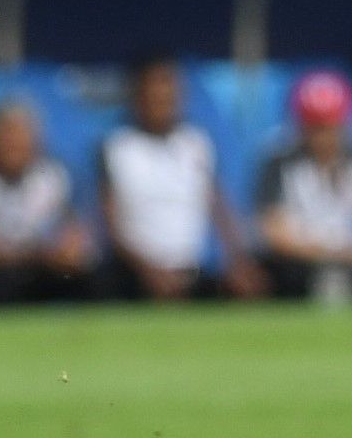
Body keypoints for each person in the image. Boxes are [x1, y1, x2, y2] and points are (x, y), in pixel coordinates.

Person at [99, 58, 259, 301]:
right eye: (154, 96)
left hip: (191, 272)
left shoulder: (196, 143)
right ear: (138, 98)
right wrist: (148, 272)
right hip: (134, 275)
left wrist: (239, 261)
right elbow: (110, 224)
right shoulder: (118, 147)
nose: (162, 103)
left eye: (169, 96)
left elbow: (218, 207)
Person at [255, 70, 352, 299]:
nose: (323, 137)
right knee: (276, 277)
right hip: (304, 262)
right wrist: (338, 254)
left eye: (330, 126)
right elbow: (273, 230)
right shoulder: (278, 163)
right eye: (315, 127)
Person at [0, 96, 94, 305]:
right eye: (6, 134)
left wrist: (66, 249)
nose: (12, 143)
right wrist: (28, 255)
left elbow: (74, 232)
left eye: (20, 134)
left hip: (46, 269)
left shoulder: (54, 176)